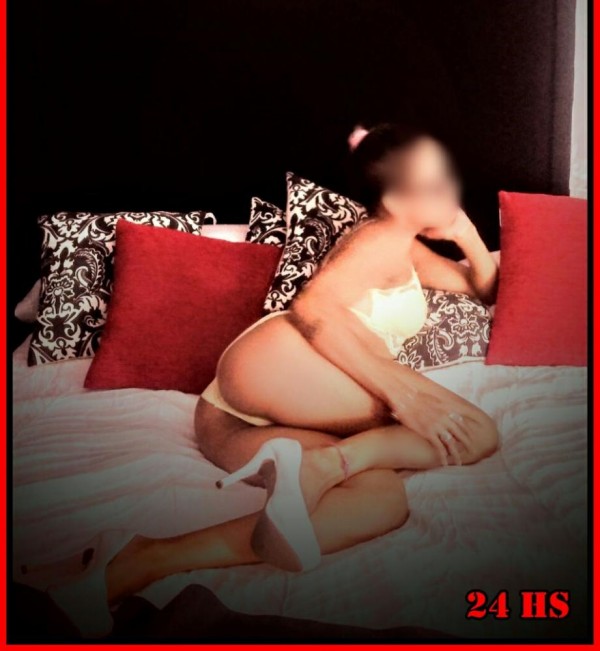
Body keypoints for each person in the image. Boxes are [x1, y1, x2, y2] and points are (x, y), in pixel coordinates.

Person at [19, 123, 501, 636]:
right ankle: (324, 464)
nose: (450, 188)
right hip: (283, 362)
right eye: (435, 182)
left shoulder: (407, 249)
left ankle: (141, 559)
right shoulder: (377, 239)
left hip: (230, 420)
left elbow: (482, 288)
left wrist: (466, 234)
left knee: (381, 501)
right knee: (474, 432)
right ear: (397, 197)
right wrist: (403, 397)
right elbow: (312, 306)